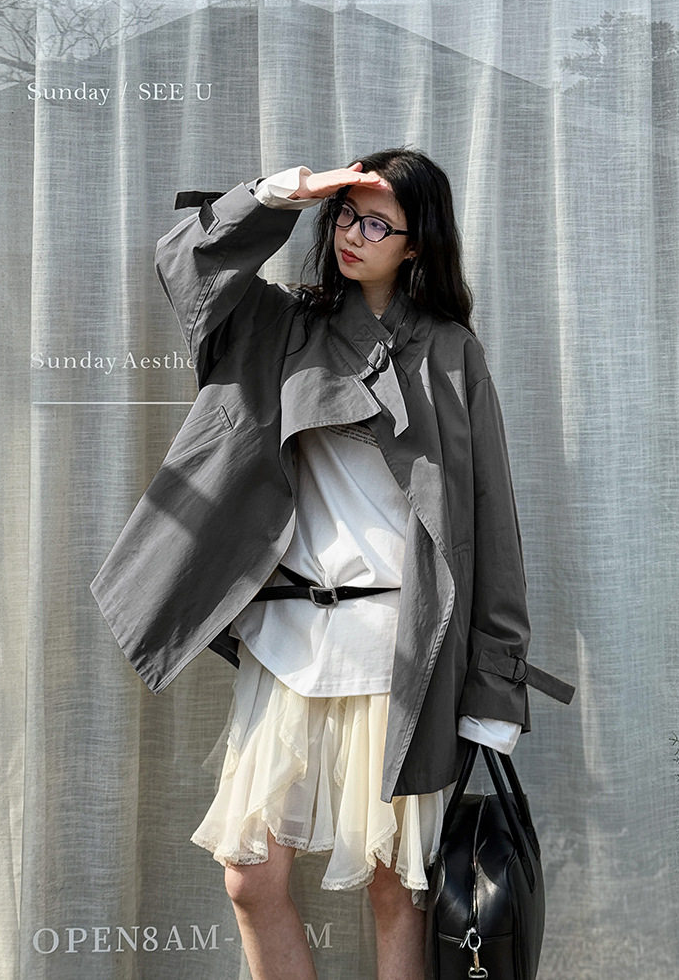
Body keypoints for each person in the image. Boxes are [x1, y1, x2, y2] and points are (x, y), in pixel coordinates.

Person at [91, 148, 558, 980]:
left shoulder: (451, 353)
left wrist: (494, 686)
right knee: (250, 876)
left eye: (378, 224)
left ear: (416, 246)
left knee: (394, 888)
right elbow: (185, 264)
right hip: (289, 643)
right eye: (346, 214)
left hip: (396, 651)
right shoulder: (281, 325)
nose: (352, 233)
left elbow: (492, 524)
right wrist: (276, 196)